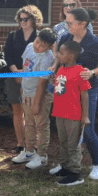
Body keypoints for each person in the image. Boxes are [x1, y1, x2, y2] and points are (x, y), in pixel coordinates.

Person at [51, 7, 98, 180]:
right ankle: (67, 164)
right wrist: (55, 71)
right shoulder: (65, 37)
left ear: (82, 24)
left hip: (87, 90)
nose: (66, 25)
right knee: (65, 130)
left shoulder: (94, 42)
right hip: (66, 91)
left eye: (70, 23)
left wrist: (92, 72)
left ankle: (97, 165)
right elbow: (61, 58)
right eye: (66, 21)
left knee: (87, 128)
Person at [12, 28, 57, 169]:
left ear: (50, 47)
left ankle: (42, 156)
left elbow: (42, 83)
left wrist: (37, 103)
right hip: (27, 93)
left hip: (40, 96)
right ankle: (29, 151)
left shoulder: (47, 58)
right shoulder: (30, 46)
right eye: (37, 42)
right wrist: (23, 87)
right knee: (29, 124)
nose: (38, 46)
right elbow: (26, 68)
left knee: (41, 126)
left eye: (42, 45)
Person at [50, 40, 91, 186]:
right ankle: (66, 167)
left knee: (73, 145)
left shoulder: (80, 71)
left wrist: (85, 115)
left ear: (72, 55)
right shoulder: (61, 69)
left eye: (61, 52)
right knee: (64, 142)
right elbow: (61, 87)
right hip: (60, 113)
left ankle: (76, 173)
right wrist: (53, 81)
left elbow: (85, 94)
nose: (58, 55)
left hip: (73, 115)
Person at [3, 5, 43, 153]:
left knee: (34, 111)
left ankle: (34, 145)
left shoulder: (41, 36)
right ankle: (20, 143)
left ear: (34, 20)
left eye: (26, 19)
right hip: (15, 76)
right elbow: (8, 55)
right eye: (20, 19)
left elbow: (43, 57)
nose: (23, 22)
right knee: (17, 110)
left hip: (34, 79)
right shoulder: (13, 35)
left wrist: (26, 74)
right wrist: (16, 72)